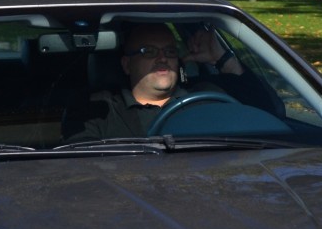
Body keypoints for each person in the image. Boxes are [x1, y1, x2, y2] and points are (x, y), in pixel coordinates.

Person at [63, 22, 243, 142]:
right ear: (127, 64)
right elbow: (83, 168)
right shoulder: (97, 109)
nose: (162, 58)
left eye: (170, 51)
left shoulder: (206, 97)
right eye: (148, 51)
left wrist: (222, 59)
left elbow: (263, 112)